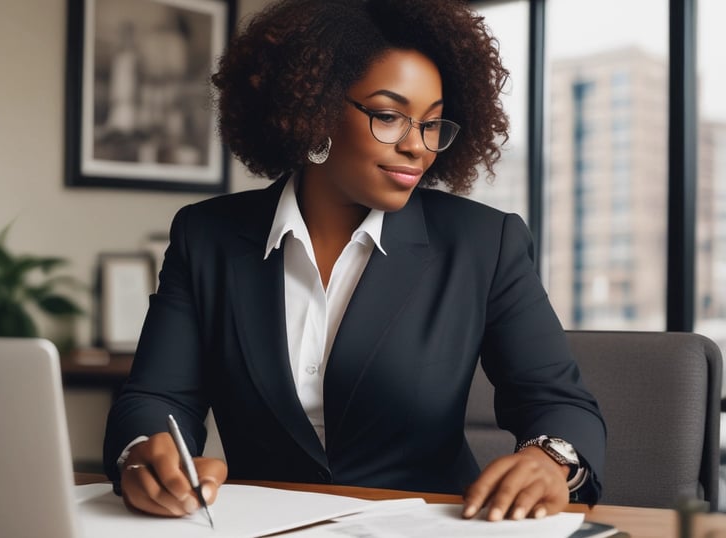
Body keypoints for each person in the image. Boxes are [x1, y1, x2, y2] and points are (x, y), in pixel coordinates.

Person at [103, 0, 606, 523]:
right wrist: (144, 454)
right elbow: (157, 396)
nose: (418, 147)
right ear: (313, 110)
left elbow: (559, 402)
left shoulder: (484, 242)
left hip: (433, 530)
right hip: (257, 527)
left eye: (432, 124)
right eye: (389, 116)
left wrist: (552, 459)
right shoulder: (207, 236)